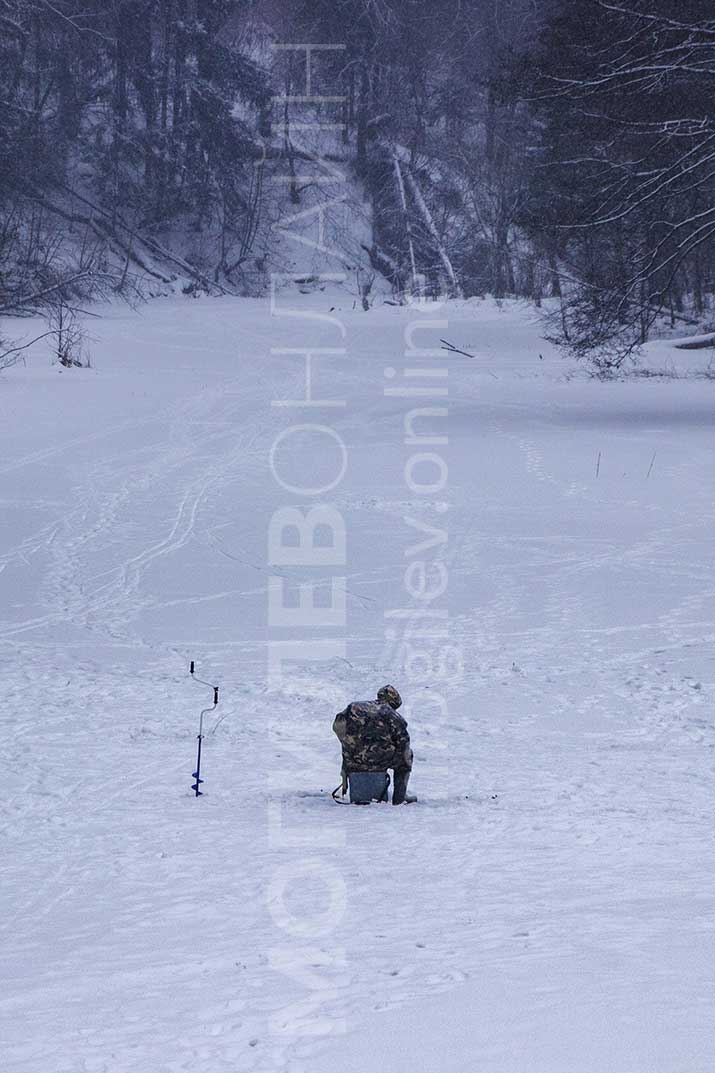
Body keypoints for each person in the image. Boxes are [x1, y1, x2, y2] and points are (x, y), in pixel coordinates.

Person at [332, 685, 415, 804]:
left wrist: (348, 743)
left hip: (353, 762)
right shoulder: (391, 714)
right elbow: (404, 743)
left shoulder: (354, 707)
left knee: (349, 749)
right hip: (380, 762)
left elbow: (337, 726)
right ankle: (399, 798)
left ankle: (347, 785)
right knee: (407, 756)